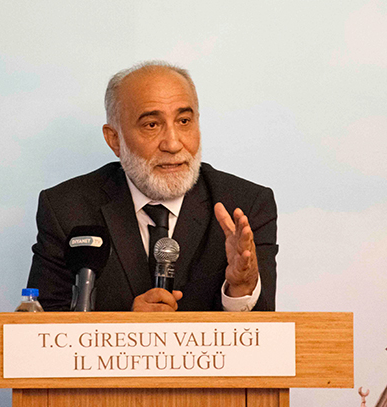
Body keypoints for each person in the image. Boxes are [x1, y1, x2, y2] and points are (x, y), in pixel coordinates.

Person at [27, 61, 278, 312]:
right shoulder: (66, 208)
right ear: (114, 139)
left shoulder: (246, 205)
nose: (173, 144)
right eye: (152, 125)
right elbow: (41, 322)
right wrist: (127, 325)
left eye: (184, 121)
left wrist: (242, 289)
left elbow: (269, 331)